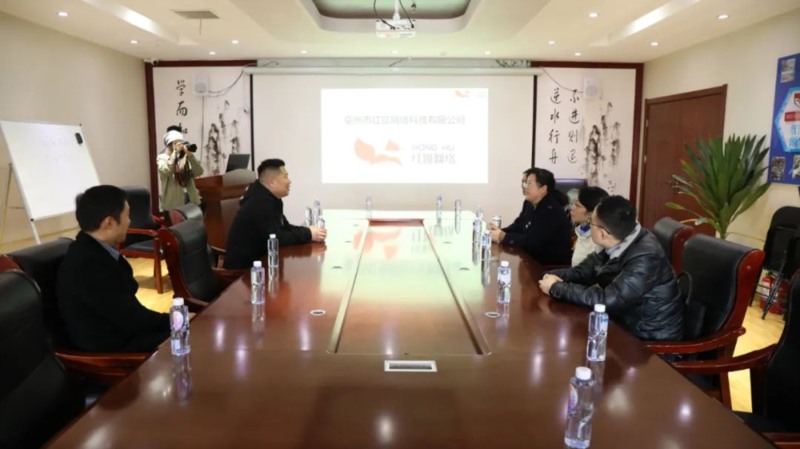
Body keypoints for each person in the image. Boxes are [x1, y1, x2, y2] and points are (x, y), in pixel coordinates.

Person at [538, 195, 684, 341]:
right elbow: (584, 272)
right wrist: (548, 276)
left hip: (648, 336)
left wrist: (556, 288)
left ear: (602, 233)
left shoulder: (646, 258)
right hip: (624, 321)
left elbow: (608, 300)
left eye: (590, 223)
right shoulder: (617, 238)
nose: (588, 226)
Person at [57, 185, 170, 352]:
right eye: (127, 216)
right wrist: (178, 320)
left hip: (120, 330)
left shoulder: (89, 249)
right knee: (190, 337)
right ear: (109, 223)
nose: (129, 221)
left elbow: (129, 313)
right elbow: (133, 319)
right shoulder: (90, 265)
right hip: (112, 347)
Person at [223, 158, 327, 269]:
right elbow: (277, 238)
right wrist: (308, 234)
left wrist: (309, 232)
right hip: (244, 272)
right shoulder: (259, 202)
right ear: (272, 182)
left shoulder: (271, 198)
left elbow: (284, 227)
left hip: (263, 263)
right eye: (285, 177)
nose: (289, 181)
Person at [488, 167, 572, 265]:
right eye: (525, 183)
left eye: (529, 184)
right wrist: (498, 232)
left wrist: (503, 236)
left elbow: (533, 242)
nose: (525, 187)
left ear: (543, 189)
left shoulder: (551, 210)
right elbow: (518, 225)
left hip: (550, 266)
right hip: (532, 259)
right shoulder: (529, 204)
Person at [157, 129, 204, 210]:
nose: (179, 146)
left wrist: (190, 156)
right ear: (169, 144)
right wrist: (175, 153)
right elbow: (166, 171)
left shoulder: (185, 157)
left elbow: (199, 172)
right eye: (175, 143)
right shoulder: (162, 158)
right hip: (172, 205)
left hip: (191, 202)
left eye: (180, 142)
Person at [569, 186, 609, 266]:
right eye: (573, 203)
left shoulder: (599, 240)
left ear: (592, 213)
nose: (572, 208)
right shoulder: (581, 232)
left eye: (577, 205)